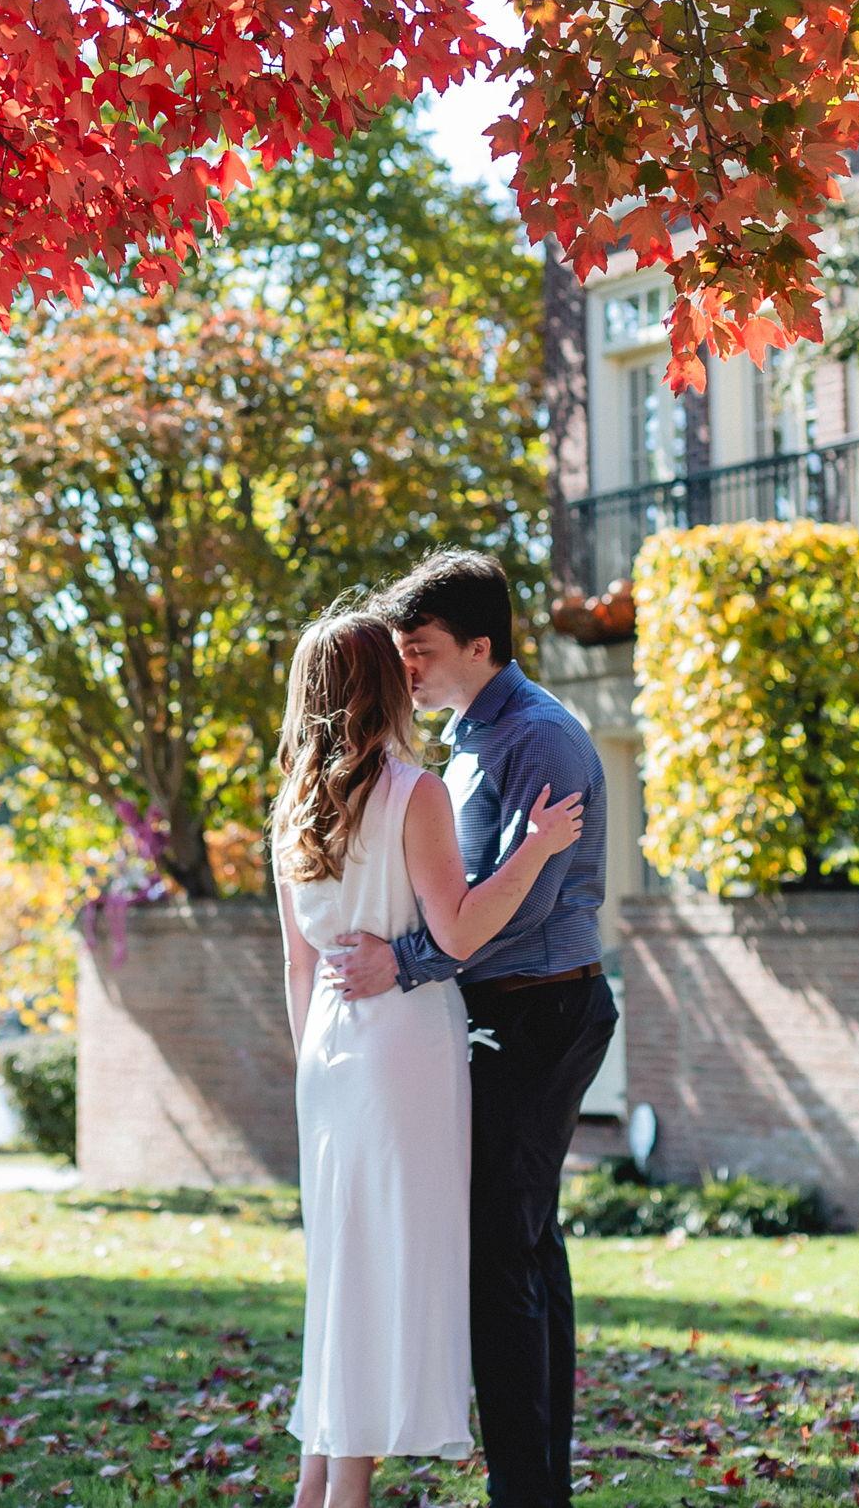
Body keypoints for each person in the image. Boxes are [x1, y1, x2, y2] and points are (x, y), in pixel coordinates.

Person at [273, 606, 585, 1508]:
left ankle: (322, 1483)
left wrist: (315, 1074)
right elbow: (458, 930)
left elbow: (297, 964)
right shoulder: (415, 791)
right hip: (405, 1051)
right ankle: (348, 1491)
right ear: (383, 685)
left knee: (342, 1268)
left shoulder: (293, 798)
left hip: (328, 1054)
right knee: (389, 1266)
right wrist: (533, 851)